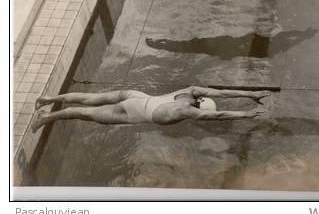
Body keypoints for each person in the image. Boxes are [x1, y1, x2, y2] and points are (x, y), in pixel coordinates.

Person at [32, 86, 270, 131]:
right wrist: (246, 114)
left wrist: (250, 94)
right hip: (135, 113)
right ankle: (45, 118)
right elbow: (220, 115)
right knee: (85, 114)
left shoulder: (189, 92)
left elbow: (220, 92)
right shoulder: (184, 112)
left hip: (137, 96)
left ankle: (46, 99)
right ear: (200, 109)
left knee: (87, 99)